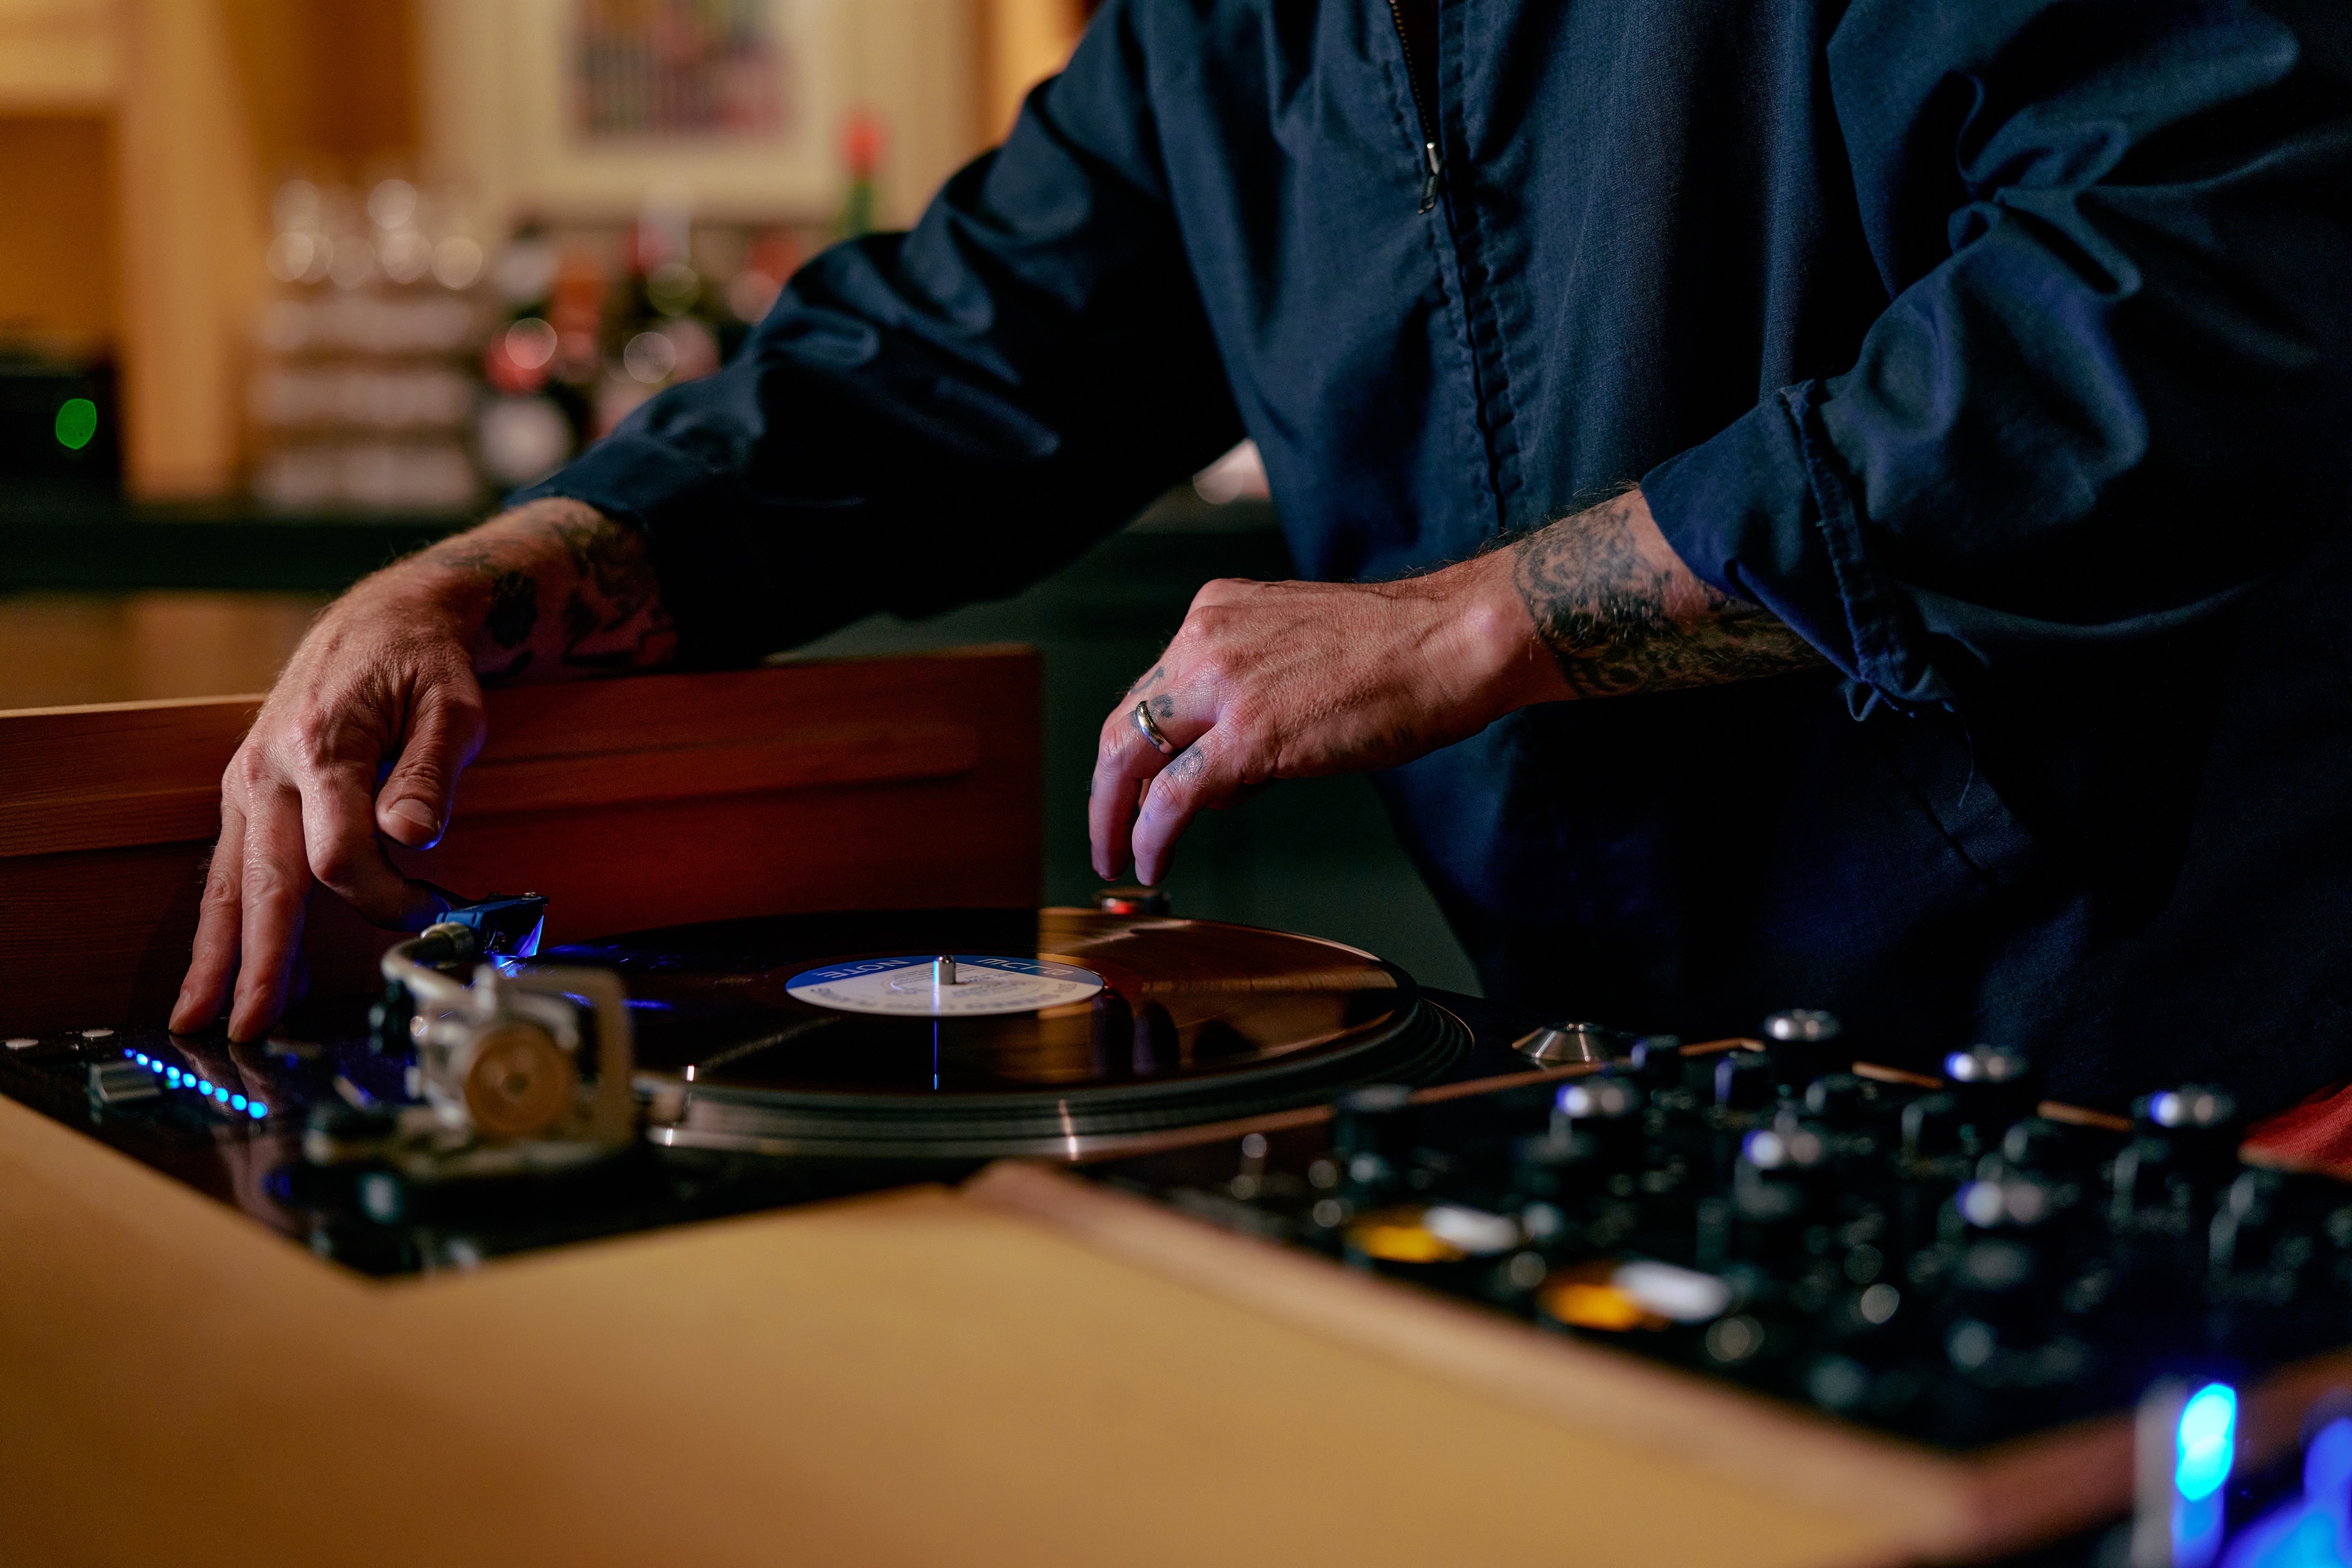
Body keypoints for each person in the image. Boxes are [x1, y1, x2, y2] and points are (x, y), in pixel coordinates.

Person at [175, 0, 2352, 1114]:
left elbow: (2158, 301)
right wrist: (534, 555)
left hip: (2162, 1059)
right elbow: (970, 340)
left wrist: (1481, 621)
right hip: (1643, 1077)